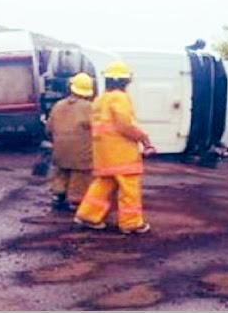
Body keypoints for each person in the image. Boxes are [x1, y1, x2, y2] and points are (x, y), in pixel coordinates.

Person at [73, 61, 156, 234]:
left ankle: (88, 216)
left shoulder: (100, 99)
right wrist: (143, 138)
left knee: (104, 183)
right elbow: (125, 125)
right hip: (121, 153)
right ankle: (131, 223)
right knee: (129, 188)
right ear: (124, 81)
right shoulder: (120, 97)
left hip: (103, 153)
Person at [45, 72, 95, 211]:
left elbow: (49, 128)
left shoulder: (58, 105)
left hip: (60, 150)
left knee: (62, 172)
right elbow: (97, 128)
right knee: (80, 176)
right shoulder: (89, 107)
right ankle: (75, 201)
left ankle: (58, 195)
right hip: (81, 152)